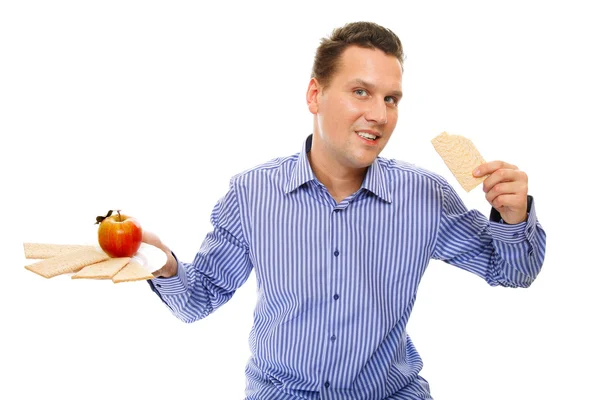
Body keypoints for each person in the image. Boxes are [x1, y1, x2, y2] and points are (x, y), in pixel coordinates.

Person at [144, 21, 546, 400]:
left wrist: (513, 217)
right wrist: (164, 265)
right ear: (314, 95)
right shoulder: (252, 193)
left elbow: (512, 272)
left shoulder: (425, 195)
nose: (380, 115)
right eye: (360, 92)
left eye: (391, 99)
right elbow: (198, 299)